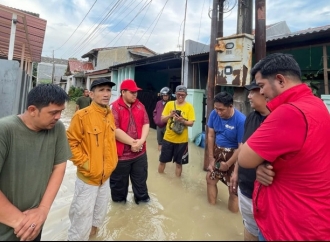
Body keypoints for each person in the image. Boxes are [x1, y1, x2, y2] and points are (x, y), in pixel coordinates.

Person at [238, 53, 330, 241]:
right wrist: (262, 165)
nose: (260, 92)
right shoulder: (317, 105)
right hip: (312, 219)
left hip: (288, 227)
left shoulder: (289, 112)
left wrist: (259, 162)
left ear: (280, 80)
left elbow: (244, 158)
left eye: (262, 85)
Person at [0, 84, 72, 241]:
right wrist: (23, 223)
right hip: (8, 228)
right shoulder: (4, 130)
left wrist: (43, 211)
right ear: (32, 110)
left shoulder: (56, 128)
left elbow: (59, 167)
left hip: (35, 226)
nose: (59, 117)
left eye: (61, 112)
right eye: (53, 112)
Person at [66, 78, 118, 241]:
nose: (106, 94)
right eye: (101, 90)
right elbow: (70, 143)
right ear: (92, 93)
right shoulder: (81, 116)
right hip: (88, 179)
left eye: (108, 90)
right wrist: (86, 165)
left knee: (97, 220)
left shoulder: (109, 115)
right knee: (80, 224)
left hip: (105, 179)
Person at [230, 81, 269, 241]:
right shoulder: (251, 118)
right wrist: (236, 172)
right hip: (246, 189)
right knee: (249, 227)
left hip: (266, 194)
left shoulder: (278, 120)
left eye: (253, 92)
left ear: (265, 92)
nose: (249, 96)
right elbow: (244, 147)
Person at [110, 79, 150, 205]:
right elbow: (114, 130)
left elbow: (146, 123)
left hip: (139, 154)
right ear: (123, 92)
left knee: (141, 187)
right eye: (132, 92)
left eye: (136, 92)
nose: (135, 95)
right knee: (119, 192)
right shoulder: (114, 107)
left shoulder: (140, 105)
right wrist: (134, 143)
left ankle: (143, 208)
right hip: (121, 157)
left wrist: (141, 142)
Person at [205, 91, 245, 213]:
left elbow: (241, 147)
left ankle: (231, 215)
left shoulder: (241, 120)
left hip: (234, 155)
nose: (218, 112)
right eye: (216, 109)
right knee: (210, 179)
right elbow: (211, 136)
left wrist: (228, 164)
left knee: (233, 189)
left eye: (221, 109)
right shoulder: (214, 114)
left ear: (230, 106)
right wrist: (211, 158)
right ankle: (212, 210)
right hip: (218, 151)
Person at [158, 85, 195, 177]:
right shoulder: (169, 104)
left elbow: (191, 123)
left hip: (182, 141)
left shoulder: (189, 107)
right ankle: (160, 178)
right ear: (175, 94)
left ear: (186, 95)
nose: (181, 96)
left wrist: (182, 120)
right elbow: (162, 119)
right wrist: (170, 115)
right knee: (162, 161)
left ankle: (177, 181)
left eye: (183, 94)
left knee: (179, 164)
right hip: (168, 139)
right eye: (178, 94)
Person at [153, 87, 171, 151]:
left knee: (167, 142)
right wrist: (156, 120)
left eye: (166, 95)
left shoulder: (171, 104)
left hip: (167, 125)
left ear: (169, 96)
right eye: (164, 95)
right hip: (159, 125)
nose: (165, 97)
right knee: (159, 142)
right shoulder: (158, 103)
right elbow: (155, 112)